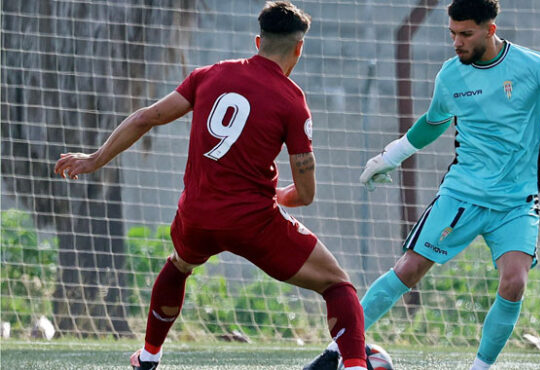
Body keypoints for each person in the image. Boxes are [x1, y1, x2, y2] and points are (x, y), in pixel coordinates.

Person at [54, 2, 368, 370]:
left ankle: (149, 357)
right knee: (337, 284)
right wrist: (285, 196)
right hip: (254, 223)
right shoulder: (292, 100)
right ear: (299, 48)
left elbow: (145, 117)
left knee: (179, 265)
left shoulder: (209, 75)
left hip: (198, 215)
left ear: (257, 41)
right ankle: (356, 364)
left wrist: (94, 159)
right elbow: (307, 193)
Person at [306, 0, 540, 369]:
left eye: (466, 34)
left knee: (514, 283)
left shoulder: (535, 68)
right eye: (452, 34)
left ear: (490, 30)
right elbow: (433, 122)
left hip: (516, 203)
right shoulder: (451, 75)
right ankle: (333, 355)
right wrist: (389, 158)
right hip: (461, 195)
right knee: (409, 269)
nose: (457, 42)